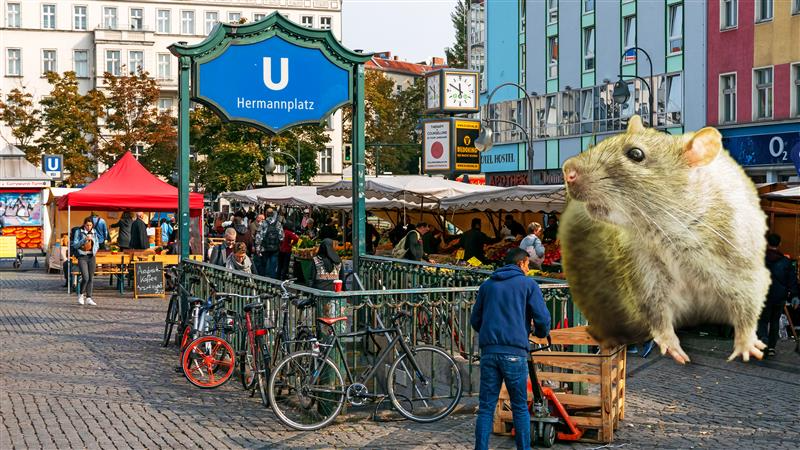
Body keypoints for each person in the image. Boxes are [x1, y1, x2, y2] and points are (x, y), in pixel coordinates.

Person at [471, 247, 551, 450]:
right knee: (520, 407)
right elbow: (542, 318)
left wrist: (491, 335)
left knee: (486, 408)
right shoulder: (528, 284)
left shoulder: (487, 285)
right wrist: (540, 333)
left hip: (490, 352)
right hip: (515, 353)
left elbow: (475, 320)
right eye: (527, 265)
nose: (528, 269)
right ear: (521, 263)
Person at [758, 233, 800, 357]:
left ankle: (763, 338)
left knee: (763, 320)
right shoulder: (786, 262)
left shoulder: (760, 259)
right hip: (779, 296)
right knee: (775, 321)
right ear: (779, 244)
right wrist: (794, 296)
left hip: (763, 295)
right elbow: (792, 281)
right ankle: (771, 347)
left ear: (767, 243)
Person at [72, 216, 100, 306]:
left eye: (90, 225)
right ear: (84, 225)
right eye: (87, 225)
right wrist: (84, 240)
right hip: (82, 256)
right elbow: (75, 245)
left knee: (91, 278)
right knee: (85, 277)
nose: (89, 227)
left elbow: (98, 244)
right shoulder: (78, 232)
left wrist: (95, 247)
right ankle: (81, 294)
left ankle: (89, 297)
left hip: (91, 256)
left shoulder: (94, 232)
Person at [256, 208, 283, 278]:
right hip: (275, 249)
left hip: (264, 248)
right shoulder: (278, 223)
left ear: (266, 214)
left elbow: (258, 237)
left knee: (264, 266)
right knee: (273, 267)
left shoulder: (262, 223)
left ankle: (264, 282)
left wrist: (258, 249)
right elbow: (282, 237)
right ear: (273, 214)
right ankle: (272, 283)